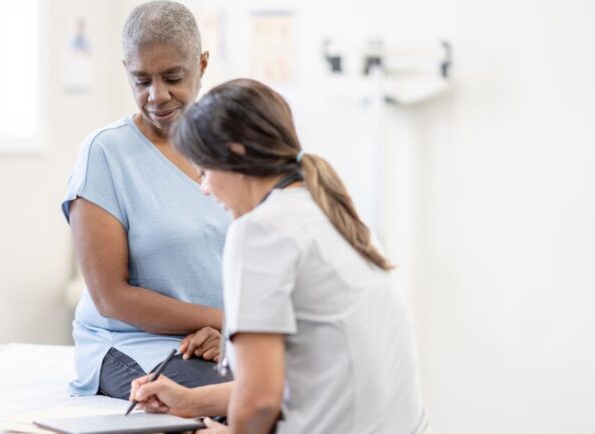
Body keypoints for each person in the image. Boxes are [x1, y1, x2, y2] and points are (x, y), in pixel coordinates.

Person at [128, 78, 431, 434]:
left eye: (205, 171)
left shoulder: (259, 231)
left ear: (236, 152)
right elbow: (301, 381)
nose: (205, 189)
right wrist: (190, 401)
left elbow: (260, 401)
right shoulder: (339, 217)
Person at [61, 1, 232, 399]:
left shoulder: (225, 146)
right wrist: (229, 321)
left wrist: (232, 332)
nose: (157, 96)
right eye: (141, 80)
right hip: (132, 344)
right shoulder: (105, 154)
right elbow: (110, 297)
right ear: (126, 71)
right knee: (237, 401)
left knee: (301, 388)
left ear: (202, 65)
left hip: (217, 339)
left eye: (173, 77)